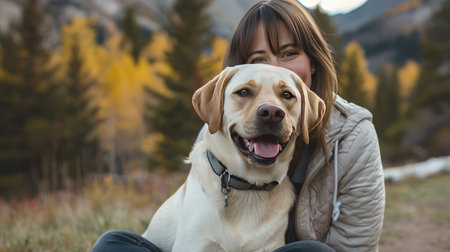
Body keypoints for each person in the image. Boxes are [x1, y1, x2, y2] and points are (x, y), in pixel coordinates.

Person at [92, 0, 385, 251]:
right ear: (221, 102)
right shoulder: (217, 132)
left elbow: (355, 246)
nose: (274, 71)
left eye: (288, 54)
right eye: (246, 90)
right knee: (112, 243)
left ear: (313, 62)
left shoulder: (354, 134)